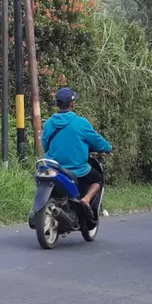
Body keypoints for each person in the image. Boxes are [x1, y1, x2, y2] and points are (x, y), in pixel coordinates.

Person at [41, 88, 112, 223]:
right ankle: (86, 199)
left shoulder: (49, 123)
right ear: (72, 104)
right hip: (77, 170)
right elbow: (97, 141)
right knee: (98, 179)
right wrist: (108, 148)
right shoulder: (81, 123)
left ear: (57, 104)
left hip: (54, 169)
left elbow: (45, 145)